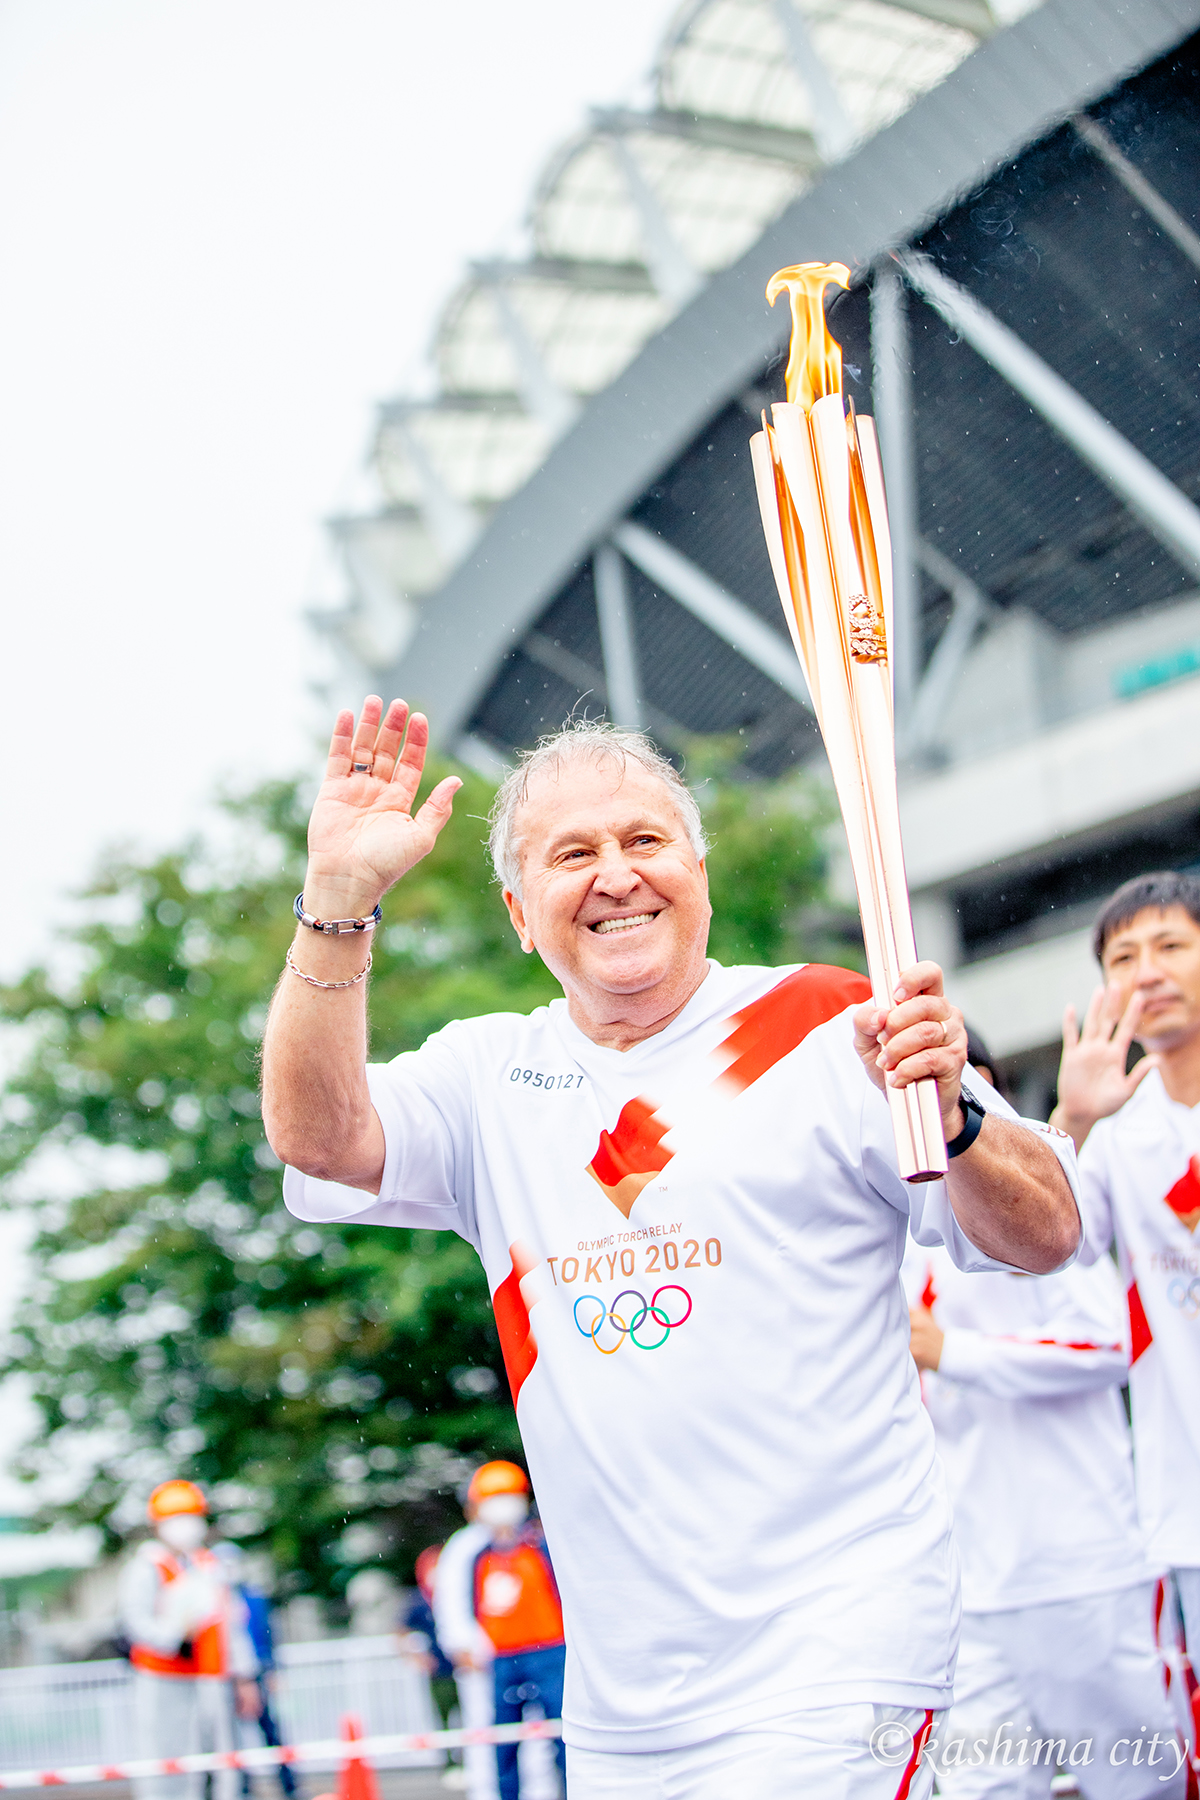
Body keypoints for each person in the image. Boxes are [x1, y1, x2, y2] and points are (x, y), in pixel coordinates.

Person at [262, 700, 1080, 1800]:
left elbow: (1046, 1234)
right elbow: (318, 1138)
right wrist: (337, 903)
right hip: (623, 1696)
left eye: (645, 840)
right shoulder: (487, 1079)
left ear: (698, 873)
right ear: (518, 912)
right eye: (572, 854)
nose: (615, 875)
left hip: (838, 1641)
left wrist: (959, 1120)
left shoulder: (833, 1026)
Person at [905, 1036, 1180, 1799]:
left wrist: (954, 1352)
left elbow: (1109, 1345)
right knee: (981, 1788)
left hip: (1077, 1567)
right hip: (965, 1586)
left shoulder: (1040, 1215)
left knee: (1136, 1783)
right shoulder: (904, 1228)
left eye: (966, 1093)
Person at [1051, 872, 1200, 1658]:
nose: (1147, 973)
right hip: (1188, 1510)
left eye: (1172, 946)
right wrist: (1071, 1118)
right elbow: (1041, 1246)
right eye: (1123, 957)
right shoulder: (1116, 1131)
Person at [118, 1481, 259, 1800]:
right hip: (163, 1678)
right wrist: (171, 1640)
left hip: (210, 1675)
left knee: (222, 1758)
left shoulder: (210, 1565)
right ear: (157, 1524)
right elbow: (136, 1621)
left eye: (191, 1515)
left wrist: (245, 1676)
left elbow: (232, 1623)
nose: (185, 1525)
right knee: (166, 1757)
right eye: (175, 1517)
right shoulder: (146, 1566)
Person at [433, 1462, 566, 1800]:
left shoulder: (541, 1541)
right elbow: (452, 1601)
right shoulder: (470, 1549)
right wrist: (461, 1645)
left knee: (561, 1737)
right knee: (503, 1742)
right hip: (500, 1658)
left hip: (552, 1652)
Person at [211, 1541, 296, 1799]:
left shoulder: (254, 1597)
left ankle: (289, 1784)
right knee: (228, 1734)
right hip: (222, 1676)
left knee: (270, 1729)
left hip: (255, 1670)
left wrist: (271, 1671)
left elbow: (268, 1636)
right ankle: (241, 1787)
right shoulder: (212, 1599)